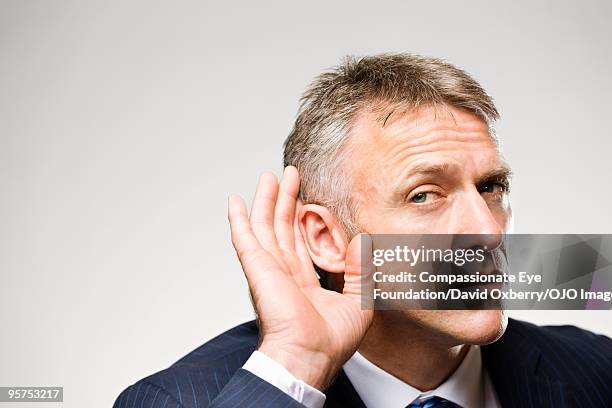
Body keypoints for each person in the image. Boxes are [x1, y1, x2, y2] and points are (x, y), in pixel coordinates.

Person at [114, 54, 612, 408]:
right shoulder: (176, 400)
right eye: (425, 195)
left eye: (490, 187)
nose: (487, 231)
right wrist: (296, 364)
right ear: (327, 239)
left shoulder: (596, 370)